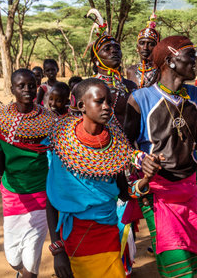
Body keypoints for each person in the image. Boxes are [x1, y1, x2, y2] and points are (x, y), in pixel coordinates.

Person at [46, 78, 160, 278]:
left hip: (108, 232)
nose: (107, 106)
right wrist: (57, 250)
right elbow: (53, 199)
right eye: (99, 101)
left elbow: (124, 193)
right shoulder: (64, 144)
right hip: (76, 235)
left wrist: (146, 180)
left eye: (109, 101)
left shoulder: (116, 143)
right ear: (81, 105)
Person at [124, 35, 197, 277]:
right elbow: (124, 146)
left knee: (192, 263)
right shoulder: (140, 99)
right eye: (190, 57)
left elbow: (195, 139)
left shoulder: (194, 95)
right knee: (176, 265)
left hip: (190, 189)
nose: (195, 62)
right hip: (158, 192)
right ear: (171, 61)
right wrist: (142, 161)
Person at [0, 69, 55, 278]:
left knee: (31, 261)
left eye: (31, 85)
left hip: (41, 195)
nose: (27, 90)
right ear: (12, 88)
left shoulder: (48, 122)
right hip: (12, 195)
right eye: (21, 86)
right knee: (13, 258)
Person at [87, 9, 136, 126]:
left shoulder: (131, 87)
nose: (114, 51)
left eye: (117, 48)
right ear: (95, 60)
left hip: (127, 143)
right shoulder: (85, 88)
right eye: (107, 49)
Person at [126, 13, 160, 88]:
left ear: (157, 47)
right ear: (137, 47)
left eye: (150, 44)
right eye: (142, 43)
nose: (145, 47)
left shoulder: (161, 71)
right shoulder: (131, 71)